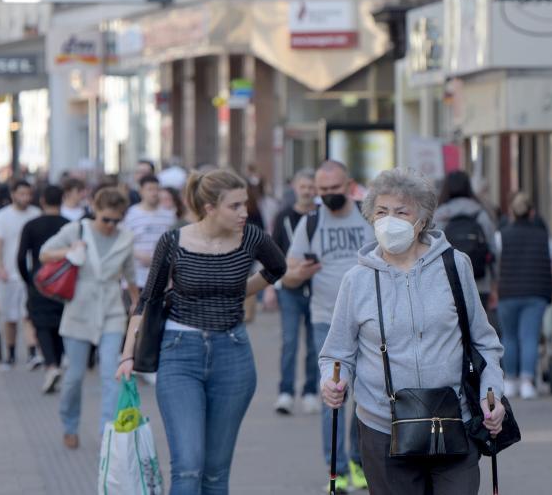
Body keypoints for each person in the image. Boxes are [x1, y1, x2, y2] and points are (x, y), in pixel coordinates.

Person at [319, 168, 505, 495]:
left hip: (453, 422)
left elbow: (485, 343)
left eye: (401, 211)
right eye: (381, 211)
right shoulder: (357, 280)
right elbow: (337, 353)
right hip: (382, 427)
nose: (390, 220)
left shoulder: (455, 265)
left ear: (422, 219)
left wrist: (493, 393)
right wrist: (334, 381)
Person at [117, 169, 287, 494]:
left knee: (215, 472)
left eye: (244, 205)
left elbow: (277, 268)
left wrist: (240, 291)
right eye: (234, 206)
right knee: (189, 466)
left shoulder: (251, 237)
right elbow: (148, 300)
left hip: (233, 353)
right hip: (180, 352)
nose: (244, 213)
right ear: (210, 207)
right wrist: (127, 355)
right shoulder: (173, 241)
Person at [282, 160, 373, 492]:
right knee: (333, 397)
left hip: (370, 322)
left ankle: (358, 461)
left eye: (335, 189)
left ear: (349, 185)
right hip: (326, 320)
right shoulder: (311, 221)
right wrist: (301, 273)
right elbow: (289, 274)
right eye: (323, 191)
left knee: (366, 396)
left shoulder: (368, 216)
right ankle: (336, 469)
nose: (328, 195)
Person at [40, 187, 137, 450]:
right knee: (74, 377)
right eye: (106, 219)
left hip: (111, 310)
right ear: (95, 210)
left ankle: (108, 433)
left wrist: (138, 308)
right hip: (79, 310)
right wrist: (70, 251)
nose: (111, 225)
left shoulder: (126, 238)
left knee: (111, 375)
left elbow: (130, 276)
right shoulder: (77, 230)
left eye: (117, 220)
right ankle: (69, 424)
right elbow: (44, 253)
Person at [270, 168, 319, 416]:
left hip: (318, 288)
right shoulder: (283, 217)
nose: (308, 191)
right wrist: (271, 286)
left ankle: (310, 391)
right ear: (296, 187)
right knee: (289, 342)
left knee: (315, 344)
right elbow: (274, 252)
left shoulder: (322, 216)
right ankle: (285, 392)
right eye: (304, 186)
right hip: (289, 288)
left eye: (312, 187)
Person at [495, 192, 552, 400]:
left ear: (511, 213)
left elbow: (496, 264)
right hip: (536, 292)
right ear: (532, 213)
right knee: (529, 337)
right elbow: (551, 262)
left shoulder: (501, 236)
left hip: (508, 292)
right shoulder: (544, 236)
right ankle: (527, 382)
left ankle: (510, 380)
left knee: (508, 337)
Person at [16, 185, 69, 394]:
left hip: (39, 281)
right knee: (61, 324)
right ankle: (57, 361)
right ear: (62, 200)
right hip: (65, 284)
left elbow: (21, 257)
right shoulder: (69, 225)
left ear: (42, 200)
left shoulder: (31, 225)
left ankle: (51, 365)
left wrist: (28, 279)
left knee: (41, 325)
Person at [0, 180, 41, 369]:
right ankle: (9, 354)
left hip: (30, 275)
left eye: (28, 194)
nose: (25, 198)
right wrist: (0, 267)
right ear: (13, 194)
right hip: (9, 275)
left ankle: (32, 353)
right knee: (9, 317)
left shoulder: (36, 214)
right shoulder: (2, 217)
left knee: (29, 315)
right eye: (21, 194)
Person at [434, 171, 499, 309]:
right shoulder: (481, 213)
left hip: (446, 283)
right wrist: (495, 283)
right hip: (480, 283)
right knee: (478, 328)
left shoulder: (440, 215)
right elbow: (493, 249)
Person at [124, 175, 178, 291]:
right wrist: (139, 255)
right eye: (150, 189)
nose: (154, 193)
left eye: (157, 189)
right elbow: (123, 242)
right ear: (141, 191)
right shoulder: (130, 214)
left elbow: (174, 243)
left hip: (161, 280)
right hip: (136, 279)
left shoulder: (169, 216)